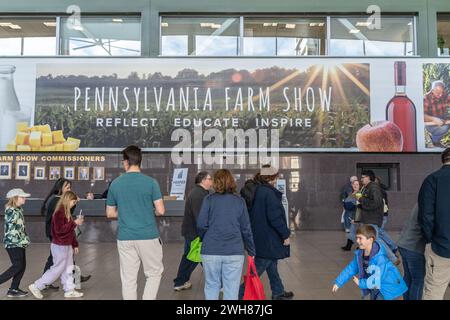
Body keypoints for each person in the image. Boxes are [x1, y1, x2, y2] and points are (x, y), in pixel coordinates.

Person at [106, 145, 165, 300]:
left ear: (126, 162)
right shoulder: (151, 182)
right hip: (148, 236)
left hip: (125, 237)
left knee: (128, 280)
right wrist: (147, 210)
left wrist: (125, 211)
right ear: (140, 162)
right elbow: (161, 211)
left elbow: (110, 213)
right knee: (153, 274)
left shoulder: (116, 184)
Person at [197, 169, 256, 300]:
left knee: (212, 285)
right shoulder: (239, 201)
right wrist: (251, 250)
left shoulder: (208, 200)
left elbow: (201, 224)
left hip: (211, 250)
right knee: (231, 289)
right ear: (231, 182)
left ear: (215, 183)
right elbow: (246, 229)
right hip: (234, 251)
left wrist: (204, 239)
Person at [238, 165, 293, 300]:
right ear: (272, 178)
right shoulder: (268, 193)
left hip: (260, 235)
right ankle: (238, 294)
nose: (278, 178)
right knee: (259, 267)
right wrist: (285, 235)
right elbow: (275, 217)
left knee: (272, 264)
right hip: (268, 238)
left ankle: (278, 292)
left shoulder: (257, 190)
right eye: (276, 176)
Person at [29, 191, 85, 299]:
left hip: (66, 245)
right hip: (60, 246)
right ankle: (37, 285)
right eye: (73, 202)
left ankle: (69, 290)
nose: (74, 204)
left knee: (68, 268)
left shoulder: (66, 211)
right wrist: (75, 223)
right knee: (57, 269)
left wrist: (74, 244)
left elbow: (70, 231)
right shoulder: (59, 212)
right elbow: (59, 230)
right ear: (68, 200)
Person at [333, 225, 407, 300]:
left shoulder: (380, 258)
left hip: (388, 287)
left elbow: (378, 278)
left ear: (370, 240)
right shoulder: (360, 254)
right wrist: (339, 282)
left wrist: (361, 283)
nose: (357, 241)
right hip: (374, 286)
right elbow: (351, 268)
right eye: (357, 238)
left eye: (360, 238)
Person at [41, 178, 91, 286]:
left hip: (57, 232)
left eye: (70, 187)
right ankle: (43, 282)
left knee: (60, 257)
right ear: (60, 188)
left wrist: (73, 202)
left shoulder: (58, 199)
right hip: (56, 233)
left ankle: (69, 280)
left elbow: (67, 213)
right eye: (67, 187)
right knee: (59, 260)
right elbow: (64, 215)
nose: (69, 189)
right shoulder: (56, 200)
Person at [418, 147, 450, 300]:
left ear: (443, 159)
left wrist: (430, 239)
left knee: (434, 292)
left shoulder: (432, 179)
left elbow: (426, 216)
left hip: (441, 247)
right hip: (441, 244)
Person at [173, 171, 212, 291]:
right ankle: (217, 283)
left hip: (192, 232)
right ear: (203, 180)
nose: (212, 181)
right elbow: (200, 217)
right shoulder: (199, 195)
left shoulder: (200, 193)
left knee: (190, 257)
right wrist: (204, 233)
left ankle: (180, 281)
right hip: (195, 233)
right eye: (210, 179)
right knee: (201, 258)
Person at [356, 170, 399, 264]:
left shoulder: (374, 188)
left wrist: (361, 199)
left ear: (368, 178)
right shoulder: (367, 188)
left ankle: (393, 258)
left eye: (363, 177)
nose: (361, 179)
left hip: (372, 218)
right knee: (373, 239)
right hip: (369, 218)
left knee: (376, 239)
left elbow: (376, 203)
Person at [0, 189, 31, 298]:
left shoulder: (18, 209)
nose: (25, 199)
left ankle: (13, 289)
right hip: (13, 244)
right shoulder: (11, 211)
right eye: (22, 197)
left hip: (19, 243)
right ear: (15, 198)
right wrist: (23, 239)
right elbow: (12, 230)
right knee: (18, 265)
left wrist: (24, 239)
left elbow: (21, 228)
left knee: (21, 266)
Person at [397, 204, 426, 300]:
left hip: (404, 243)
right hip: (413, 246)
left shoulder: (423, 200)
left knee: (408, 278)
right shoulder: (430, 202)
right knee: (417, 280)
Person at [424, 80, 450, 146]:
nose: (440, 95)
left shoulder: (443, 94)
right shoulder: (426, 98)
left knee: (446, 124)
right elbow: (422, 116)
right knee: (445, 128)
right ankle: (435, 140)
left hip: (443, 116)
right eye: (438, 93)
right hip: (431, 123)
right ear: (432, 90)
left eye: (442, 92)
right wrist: (433, 119)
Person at [341, 179, 360, 251]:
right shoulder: (351, 194)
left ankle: (359, 246)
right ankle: (349, 245)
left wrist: (356, 219)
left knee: (358, 232)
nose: (355, 186)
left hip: (356, 216)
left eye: (357, 184)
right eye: (354, 184)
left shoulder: (359, 194)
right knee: (352, 231)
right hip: (351, 215)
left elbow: (359, 207)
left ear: (359, 186)